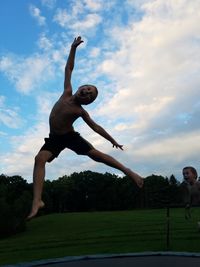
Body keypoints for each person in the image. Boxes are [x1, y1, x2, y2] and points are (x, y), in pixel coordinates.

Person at [27, 36, 143, 220]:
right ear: (81, 87)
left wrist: (112, 140)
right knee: (39, 159)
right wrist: (73, 48)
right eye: (88, 89)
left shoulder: (79, 111)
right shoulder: (66, 92)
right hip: (55, 138)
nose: (88, 93)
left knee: (96, 155)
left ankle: (128, 171)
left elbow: (96, 127)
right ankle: (37, 201)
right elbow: (69, 68)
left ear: (87, 103)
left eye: (90, 96)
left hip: (69, 137)